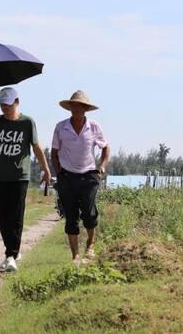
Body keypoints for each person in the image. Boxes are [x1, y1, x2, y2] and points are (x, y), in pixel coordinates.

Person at [0, 87, 51, 272]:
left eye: (8, 104)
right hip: (0, 177)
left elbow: (36, 147)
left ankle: (10, 255)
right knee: (3, 217)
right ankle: (13, 252)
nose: (5, 108)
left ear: (17, 101)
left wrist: (46, 169)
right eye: (2, 104)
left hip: (20, 177)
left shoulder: (27, 122)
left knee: (16, 217)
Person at [51, 90, 109, 264]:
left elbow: (105, 147)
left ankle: (90, 246)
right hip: (67, 177)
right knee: (70, 216)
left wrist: (102, 168)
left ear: (85, 109)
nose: (76, 109)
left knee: (89, 213)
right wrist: (58, 172)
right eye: (73, 106)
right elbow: (54, 152)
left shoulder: (94, 127)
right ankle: (75, 255)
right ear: (70, 108)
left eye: (79, 107)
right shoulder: (61, 127)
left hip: (89, 175)